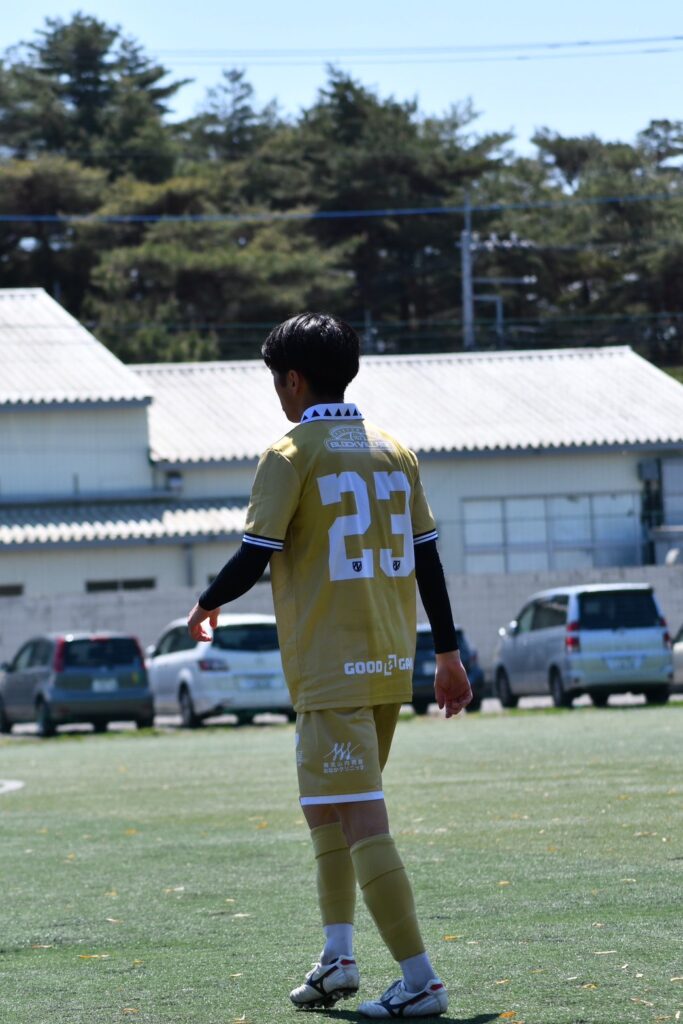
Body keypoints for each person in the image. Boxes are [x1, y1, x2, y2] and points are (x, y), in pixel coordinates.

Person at [187, 312, 472, 1018]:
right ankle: (338, 957)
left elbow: (255, 554)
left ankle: (421, 980)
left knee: (361, 817)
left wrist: (205, 602)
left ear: (292, 380)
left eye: (274, 380)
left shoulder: (290, 453)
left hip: (330, 667)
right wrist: (446, 650)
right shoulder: (394, 451)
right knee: (327, 808)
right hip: (387, 661)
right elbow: (429, 559)